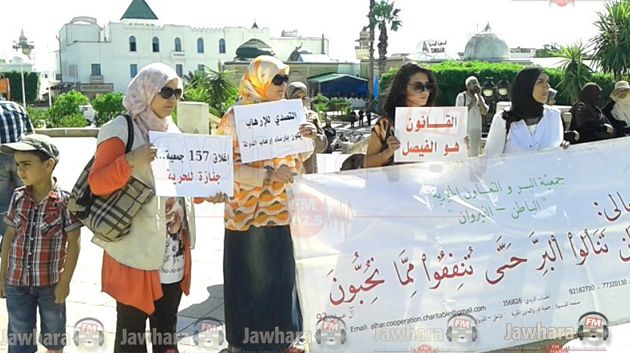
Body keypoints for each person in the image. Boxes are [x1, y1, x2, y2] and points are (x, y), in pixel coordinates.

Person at [87, 63, 225, 353]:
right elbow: (97, 183)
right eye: (166, 92)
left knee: (166, 326)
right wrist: (131, 160)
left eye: (178, 93)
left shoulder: (171, 129)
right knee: (132, 331)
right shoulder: (120, 128)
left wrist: (206, 192)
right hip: (133, 249)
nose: (173, 99)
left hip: (171, 249)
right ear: (147, 90)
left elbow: (177, 186)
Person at [217, 55, 317, 353]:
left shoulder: (289, 113)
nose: (283, 85)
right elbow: (225, 167)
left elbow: (300, 155)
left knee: (282, 283)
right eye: (277, 79)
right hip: (248, 218)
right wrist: (268, 175)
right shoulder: (234, 117)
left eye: (286, 78)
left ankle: (283, 343)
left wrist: (309, 138)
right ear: (258, 81)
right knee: (251, 285)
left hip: (284, 214)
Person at [0, 134, 81, 353]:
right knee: (19, 338)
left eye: (26, 164)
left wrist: (65, 283)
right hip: (16, 283)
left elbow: (74, 243)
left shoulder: (65, 201)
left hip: (50, 285)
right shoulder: (18, 197)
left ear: (48, 165)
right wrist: (2, 275)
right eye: (18, 164)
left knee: (54, 338)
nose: (19, 170)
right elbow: (8, 238)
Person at [364, 62, 438, 168]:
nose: (425, 92)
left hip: (424, 181)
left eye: (428, 87)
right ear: (403, 89)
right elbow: (367, 164)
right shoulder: (385, 124)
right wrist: (388, 152)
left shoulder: (436, 120)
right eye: (418, 87)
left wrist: (459, 145)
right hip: (392, 183)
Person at [485, 66, 567, 156]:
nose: (547, 86)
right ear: (526, 86)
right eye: (540, 82)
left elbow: (557, 153)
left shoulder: (553, 116)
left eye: (547, 82)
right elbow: (491, 159)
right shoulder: (503, 119)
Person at [0, 98, 34, 236]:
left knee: (3, 202)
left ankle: (7, 237)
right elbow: (31, 135)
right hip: (20, 158)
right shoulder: (17, 108)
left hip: (0, 159)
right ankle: (24, 231)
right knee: (25, 194)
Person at [284, 82, 327, 173]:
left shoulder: (311, 116)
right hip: (285, 170)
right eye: (297, 97)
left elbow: (323, 145)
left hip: (307, 169)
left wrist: (314, 136)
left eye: (304, 98)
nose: (301, 101)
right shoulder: (279, 116)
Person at [455, 76, 489, 157]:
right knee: (467, 154)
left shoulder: (479, 97)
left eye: (477, 83)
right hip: (466, 129)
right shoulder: (461, 96)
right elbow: (459, 114)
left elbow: (485, 111)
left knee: (475, 154)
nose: (476, 85)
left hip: (477, 129)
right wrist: (471, 103)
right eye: (473, 83)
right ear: (468, 86)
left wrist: (479, 97)